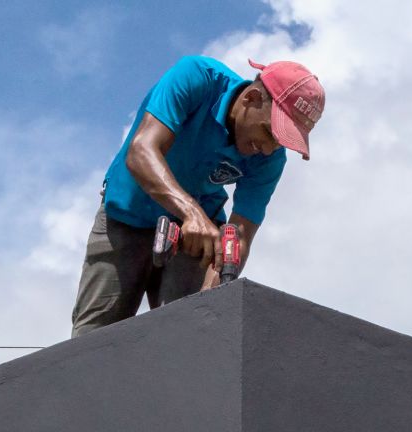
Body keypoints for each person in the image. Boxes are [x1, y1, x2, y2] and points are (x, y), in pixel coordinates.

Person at [71, 56, 325, 337]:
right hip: (128, 215)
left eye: (281, 143)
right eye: (268, 132)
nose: (267, 149)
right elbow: (142, 151)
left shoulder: (271, 159)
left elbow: (241, 234)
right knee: (91, 341)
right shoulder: (197, 78)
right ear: (251, 99)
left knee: (186, 337)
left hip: (195, 238)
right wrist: (191, 214)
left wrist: (213, 291)